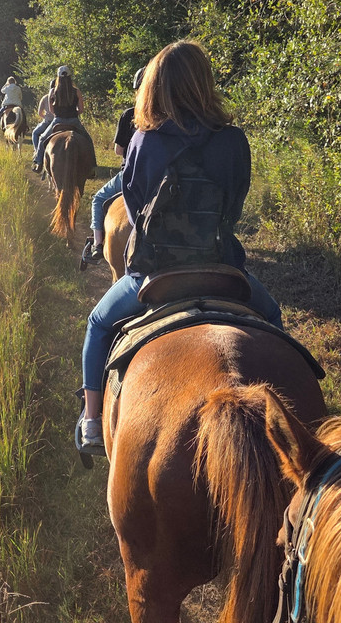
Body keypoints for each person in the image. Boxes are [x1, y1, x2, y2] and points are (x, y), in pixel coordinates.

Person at [77, 40, 283, 450]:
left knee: (98, 325)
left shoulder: (143, 141)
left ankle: (92, 422)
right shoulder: (233, 141)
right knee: (273, 317)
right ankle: (285, 422)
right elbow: (233, 209)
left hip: (155, 275)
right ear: (204, 84)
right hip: (222, 269)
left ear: (155, 87)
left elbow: (135, 209)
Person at [81, 68, 144, 267]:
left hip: (132, 174)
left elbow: (118, 151)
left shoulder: (130, 115)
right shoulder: (170, 116)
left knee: (98, 199)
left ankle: (98, 246)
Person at [31, 65, 89, 172]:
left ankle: (39, 162)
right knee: (88, 140)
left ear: (58, 77)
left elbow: (52, 111)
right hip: (74, 121)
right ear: (70, 77)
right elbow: (81, 110)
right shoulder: (76, 91)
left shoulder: (52, 91)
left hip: (58, 121)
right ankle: (91, 166)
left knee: (42, 138)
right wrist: (72, 113)